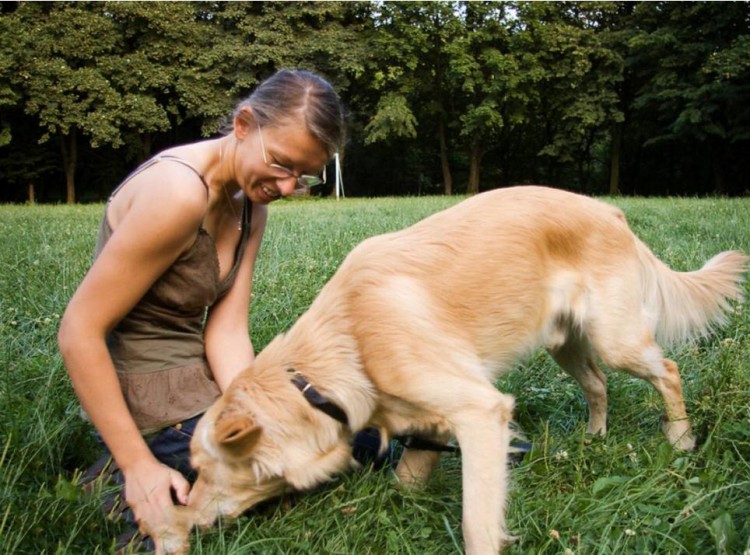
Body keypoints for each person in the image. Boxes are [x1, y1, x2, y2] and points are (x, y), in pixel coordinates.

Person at [58, 69, 359, 552]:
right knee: (265, 473)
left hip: (197, 381)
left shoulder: (250, 207)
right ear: (243, 125)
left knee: (336, 432)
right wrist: (139, 466)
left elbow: (226, 329)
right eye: (281, 164)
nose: (286, 188)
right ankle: (127, 472)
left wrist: (259, 409)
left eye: (301, 177)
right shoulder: (177, 194)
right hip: (140, 390)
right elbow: (79, 331)